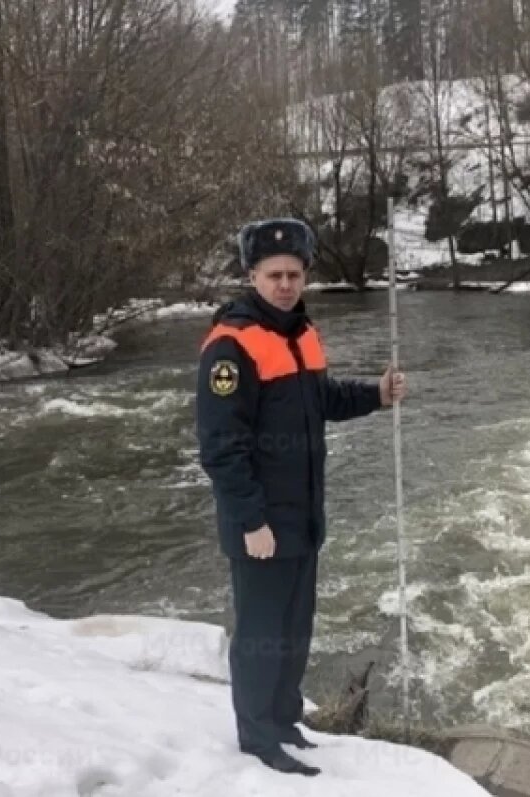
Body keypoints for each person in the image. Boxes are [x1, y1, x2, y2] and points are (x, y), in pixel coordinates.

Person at [195, 218, 407, 777]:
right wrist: (250, 519)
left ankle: (286, 719)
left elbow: (323, 399)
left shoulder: (303, 334)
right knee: (261, 634)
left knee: (294, 628)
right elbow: (221, 447)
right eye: (274, 275)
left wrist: (376, 396)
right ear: (253, 276)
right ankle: (258, 737)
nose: (285, 284)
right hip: (260, 522)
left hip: (304, 517)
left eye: (293, 274)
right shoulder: (231, 345)